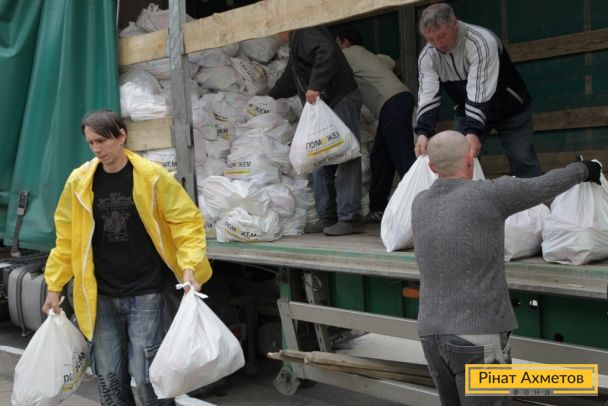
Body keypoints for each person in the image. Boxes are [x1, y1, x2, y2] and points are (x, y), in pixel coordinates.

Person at [411, 130, 601, 405]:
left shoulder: (419, 203)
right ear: (470, 158)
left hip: (431, 338)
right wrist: (584, 169)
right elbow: (543, 186)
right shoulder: (489, 195)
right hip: (477, 339)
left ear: (431, 167)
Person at [42, 109, 213, 406]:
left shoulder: (152, 177)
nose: (96, 149)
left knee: (148, 376)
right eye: (91, 143)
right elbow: (67, 239)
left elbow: (186, 222)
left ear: (121, 136)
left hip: (145, 292)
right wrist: (54, 287)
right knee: (109, 378)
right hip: (100, 295)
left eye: (102, 141)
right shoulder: (79, 182)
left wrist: (190, 267)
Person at [414, 3, 541, 178]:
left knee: (522, 159)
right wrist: (423, 133)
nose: (437, 44)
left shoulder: (481, 41)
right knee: (458, 161)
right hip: (467, 111)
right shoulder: (427, 56)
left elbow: (478, 89)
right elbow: (428, 94)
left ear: (455, 23)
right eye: (430, 39)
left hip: (510, 108)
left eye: (442, 35)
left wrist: (473, 132)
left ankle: (530, 196)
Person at [269, 27, 363, 236]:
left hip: (340, 98)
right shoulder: (296, 44)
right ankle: (327, 215)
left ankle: (350, 217)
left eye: (275, 30)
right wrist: (269, 98)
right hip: (326, 104)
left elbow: (327, 51)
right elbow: (291, 78)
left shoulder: (305, 33)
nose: (275, 35)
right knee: (319, 155)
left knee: (345, 155)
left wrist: (316, 85)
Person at [336, 28, 417, 224]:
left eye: (337, 44)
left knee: (402, 155)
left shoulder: (347, 54)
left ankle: (419, 202)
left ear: (345, 42)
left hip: (391, 103)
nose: (335, 49)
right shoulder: (370, 56)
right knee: (381, 156)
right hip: (398, 101)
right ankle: (377, 208)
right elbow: (390, 62)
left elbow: (329, 72)